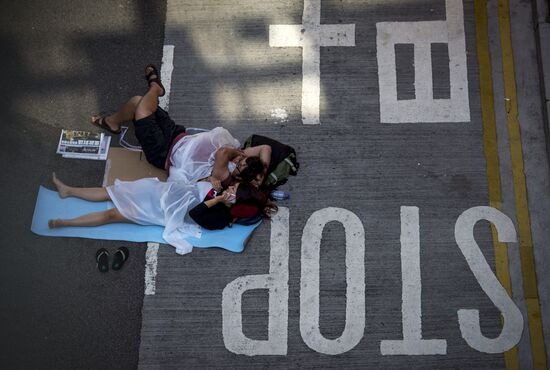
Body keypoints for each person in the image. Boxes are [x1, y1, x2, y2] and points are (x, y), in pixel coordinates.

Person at [91, 64, 271, 187]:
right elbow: (266, 148)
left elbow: (223, 152)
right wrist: (262, 171)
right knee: (138, 102)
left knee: (142, 110)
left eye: (240, 164)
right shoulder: (243, 160)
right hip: (177, 134)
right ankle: (112, 122)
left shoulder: (225, 176)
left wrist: (235, 154)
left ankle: (155, 87)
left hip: (163, 152)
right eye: (243, 159)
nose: (239, 159)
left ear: (239, 175)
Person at [47, 173, 274, 255]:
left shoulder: (221, 218)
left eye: (234, 191)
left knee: (113, 215)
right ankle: (69, 191)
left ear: (238, 203)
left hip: (162, 210)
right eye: (232, 187)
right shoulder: (223, 194)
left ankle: (66, 222)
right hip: (163, 192)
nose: (230, 188)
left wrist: (216, 198)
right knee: (112, 192)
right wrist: (208, 181)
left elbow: (196, 213)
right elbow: (194, 187)